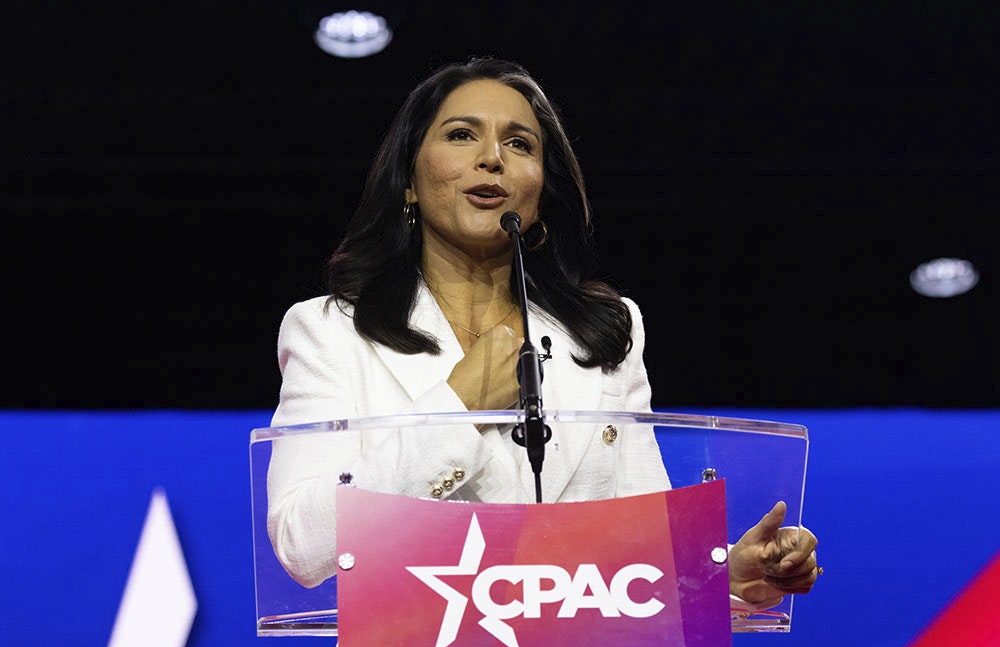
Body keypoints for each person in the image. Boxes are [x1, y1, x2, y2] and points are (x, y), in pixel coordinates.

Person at [266, 56, 819, 609]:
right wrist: (458, 407)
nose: (491, 159)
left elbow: (642, 544)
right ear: (409, 181)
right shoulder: (332, 331)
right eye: (461, 135)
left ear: (539, 193)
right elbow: (301, 544)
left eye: (520, 145)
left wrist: (722, 581)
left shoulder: (605, 335)